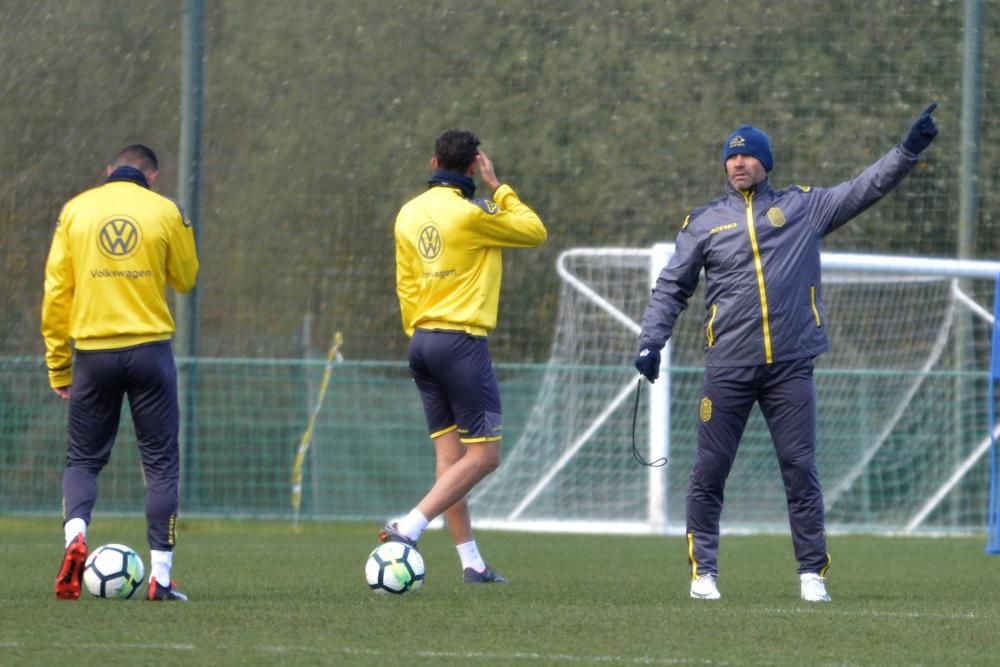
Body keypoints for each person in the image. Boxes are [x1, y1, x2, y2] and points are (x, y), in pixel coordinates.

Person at [634, 104, 939, 602]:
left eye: (748, 157)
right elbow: (671, 288)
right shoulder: (704, 222)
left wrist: (908, 151)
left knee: (799, 467)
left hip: (790, 367)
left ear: (766, 163)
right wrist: (650, 340)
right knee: (709, 471)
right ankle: (703, 573)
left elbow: (865, 188)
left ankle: (811, 574)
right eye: (731, 158)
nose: (738, 164)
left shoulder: (804, 208)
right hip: (727, 367)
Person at [384, 129, 547, 583]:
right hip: (460, 344)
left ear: (434, 164)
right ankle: (408, 525)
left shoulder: (408, 213)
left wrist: (420, 332)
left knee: (450, 460)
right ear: (475, 165)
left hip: (422, 341)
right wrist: (500, 187)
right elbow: (535, 230)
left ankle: (471, 563)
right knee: (486, 457)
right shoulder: (475, 214)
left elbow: (406, 282)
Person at [42, 144, 199, 601]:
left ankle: (75, 538)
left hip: (93, 353)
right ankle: (161, 579)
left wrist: (58, 363)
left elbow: (56, 293)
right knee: (161, 464)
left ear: (109, 171)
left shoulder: (76, 210)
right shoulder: (165, 209)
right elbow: (186, 278)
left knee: (83, 460)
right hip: (149, 350)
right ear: (152, 176)